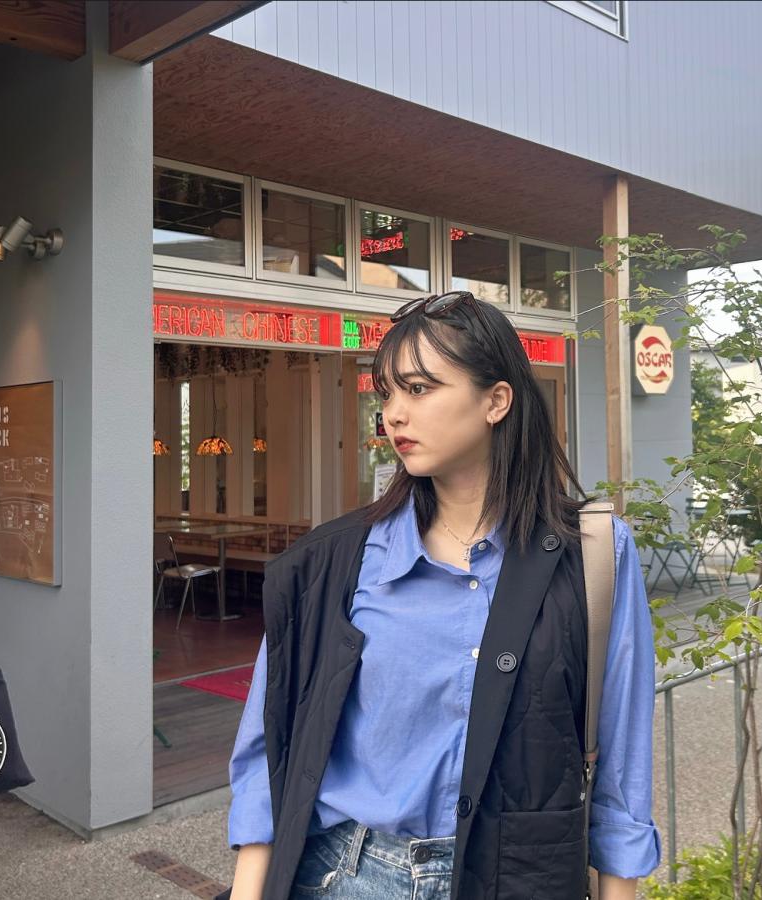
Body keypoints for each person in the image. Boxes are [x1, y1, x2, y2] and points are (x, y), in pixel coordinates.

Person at [223, 291, 661, 900]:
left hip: (519, 877)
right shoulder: (337, 561)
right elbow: (268, 749)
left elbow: (621, 764)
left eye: (419, 389)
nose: (393, 415)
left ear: (496, 401)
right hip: (349, 875)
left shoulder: (593, 554)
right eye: (387, 394)